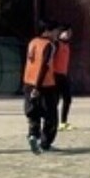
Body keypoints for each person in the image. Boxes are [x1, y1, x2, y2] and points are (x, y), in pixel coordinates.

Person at [23, 21, 60, 154]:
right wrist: (37, 87)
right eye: (56, 31)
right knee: (51, 116)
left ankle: (33, 135)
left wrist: (33, 86)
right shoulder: (49, 45)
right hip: (45, 85)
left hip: (28, 81)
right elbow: (44, 65)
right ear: (47, 31)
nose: (57, 33)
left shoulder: (32, 42)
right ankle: (45, 144)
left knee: (33, 112)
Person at [54, 25, 74, 131]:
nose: (69, 34)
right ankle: (52, 122)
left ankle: (63, 122)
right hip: (55, 75)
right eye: (67, 32)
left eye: (70, 33)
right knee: (55, 100)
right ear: (60, 33)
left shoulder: (67, 45)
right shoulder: (56, 44)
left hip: (63, 75)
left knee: (67, 98)